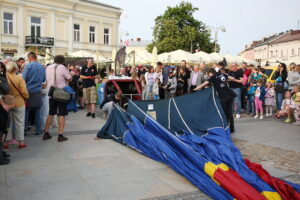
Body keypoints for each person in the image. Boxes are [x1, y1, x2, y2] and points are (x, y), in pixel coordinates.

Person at [194, 68, 239, 133]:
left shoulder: (213, 77)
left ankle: (225, 127)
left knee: (223, 112)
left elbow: (203, 84)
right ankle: (232, 128)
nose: (209, 76)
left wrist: (195, 89)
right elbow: (232, 78)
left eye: (209, 75)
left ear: (210, 73)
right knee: (229, 112)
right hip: (230, 94)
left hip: (223, 96)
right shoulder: (221, 74)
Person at [43, 55, 71, 142]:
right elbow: (69, 78)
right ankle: (60, 135)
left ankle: (46, 133)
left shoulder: (48, 67)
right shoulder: (62, 67)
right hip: (61, 93)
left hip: (51, 92)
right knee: (61, 114)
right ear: (63, 61)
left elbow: (46, 80)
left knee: (51, 113)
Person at [5, 61, 29, 148]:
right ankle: (21, 142)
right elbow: (24, 91)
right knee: (20, 122)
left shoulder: (4, 77)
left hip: (7, 101)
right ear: (15, 68)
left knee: (8, 123)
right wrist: (26, 97)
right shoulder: (19, 78)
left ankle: (6, 142)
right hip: (19, 101)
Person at [22, 52, 46, 135]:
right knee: (38, 111)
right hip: (38, 91)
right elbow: (43, 79)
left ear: (30, 58)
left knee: (26, 112)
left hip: (29, 92)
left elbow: (23, 79)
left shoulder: (28, 66)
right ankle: (38, 130)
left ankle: (24, 130)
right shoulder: (42, 67)